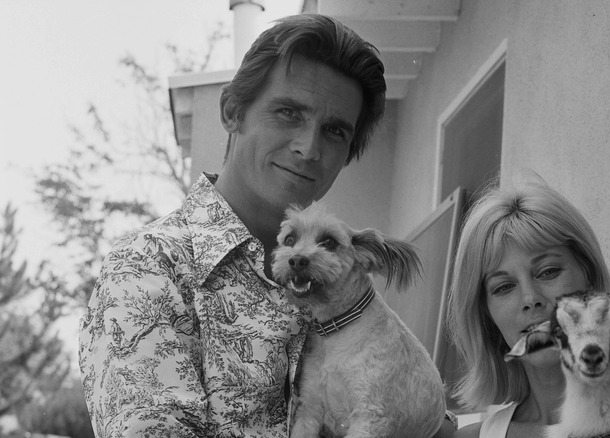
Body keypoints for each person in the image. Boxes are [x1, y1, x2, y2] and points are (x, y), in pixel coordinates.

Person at [79, 14, 456, 438]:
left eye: (334, 131)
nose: (309, 147)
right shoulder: (146, 272)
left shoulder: (346, 292)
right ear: (232, 111)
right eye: (289, 112)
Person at [447, 178, 610, 438]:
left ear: (590, 279)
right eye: (503, 287)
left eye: (548, 272)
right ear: (486, 315)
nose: (530, 298)